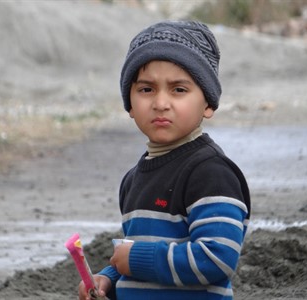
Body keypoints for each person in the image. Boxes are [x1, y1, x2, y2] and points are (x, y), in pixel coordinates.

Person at [78, 20, 251, 300]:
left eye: (178, 90)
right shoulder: (133, 180)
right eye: (146, 90)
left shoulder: (211, 173)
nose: (160, 103)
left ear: (207, 103)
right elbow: (142, 255)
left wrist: (134, 258)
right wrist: (108, 278)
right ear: (130, 105)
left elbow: (217, 258)